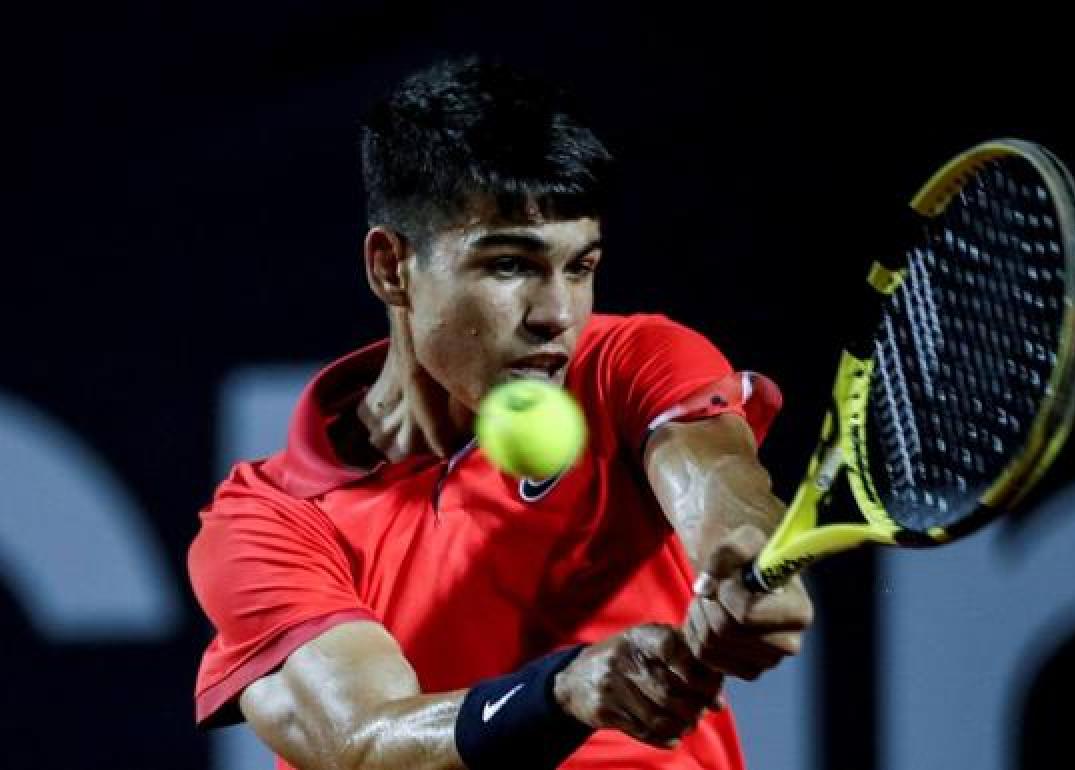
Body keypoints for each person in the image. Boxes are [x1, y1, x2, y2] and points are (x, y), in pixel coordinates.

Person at [188, 57, 813, 770]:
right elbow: (361, 744)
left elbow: (718, 481)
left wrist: (745, 560)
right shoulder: (265, 521)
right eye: (510, 265)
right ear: (392, 267)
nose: (557, 315)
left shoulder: (631, 363)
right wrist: (563, 690)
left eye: (579, 267)